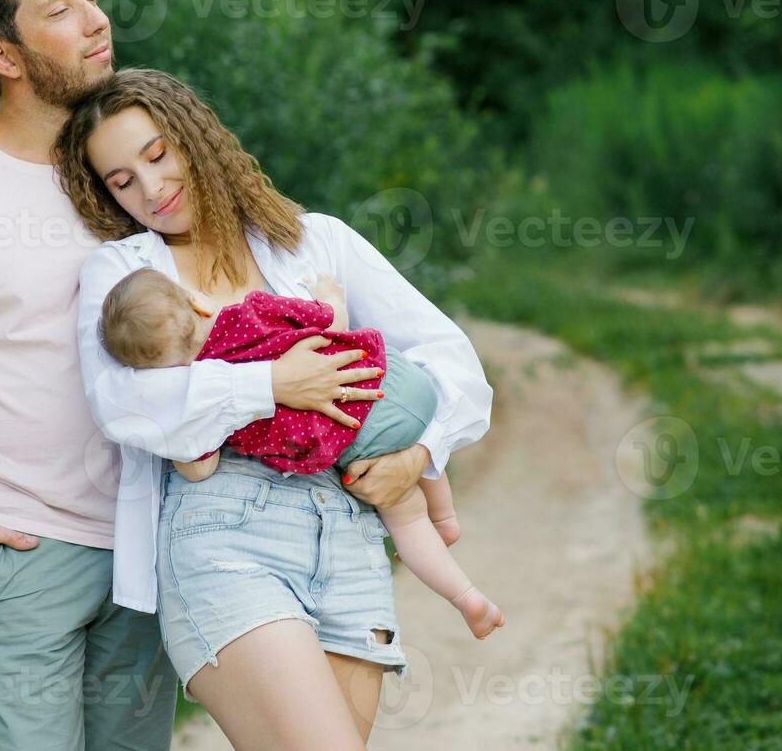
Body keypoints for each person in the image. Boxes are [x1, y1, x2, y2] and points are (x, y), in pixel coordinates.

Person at [0, 0, 386, 751]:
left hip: (154, 539)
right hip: (21, 554)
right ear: (5, 57)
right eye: (59, 10)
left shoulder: (135, 176)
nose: (96, 21)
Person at [54, 68, 495, 749]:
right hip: (224, 537)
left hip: (348, 535)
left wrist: (419, 453)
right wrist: (272, 384)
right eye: (121, 181)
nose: (151, 189)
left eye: (157, 155)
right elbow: (126, 405)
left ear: (193, 137)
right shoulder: (124, 274)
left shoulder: (315, 242)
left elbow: (452, 359)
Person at [96, 265, 505, 639]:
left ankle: (468, 598)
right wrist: (330, 294)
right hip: (392, 377)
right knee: (409, 443)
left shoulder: (206, 395)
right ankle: (447, 517)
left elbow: (200, 468)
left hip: (355, 435)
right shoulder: (250, 313)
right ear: (197, 302)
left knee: (407, 516)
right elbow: (331, 319)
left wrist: (177, 447)